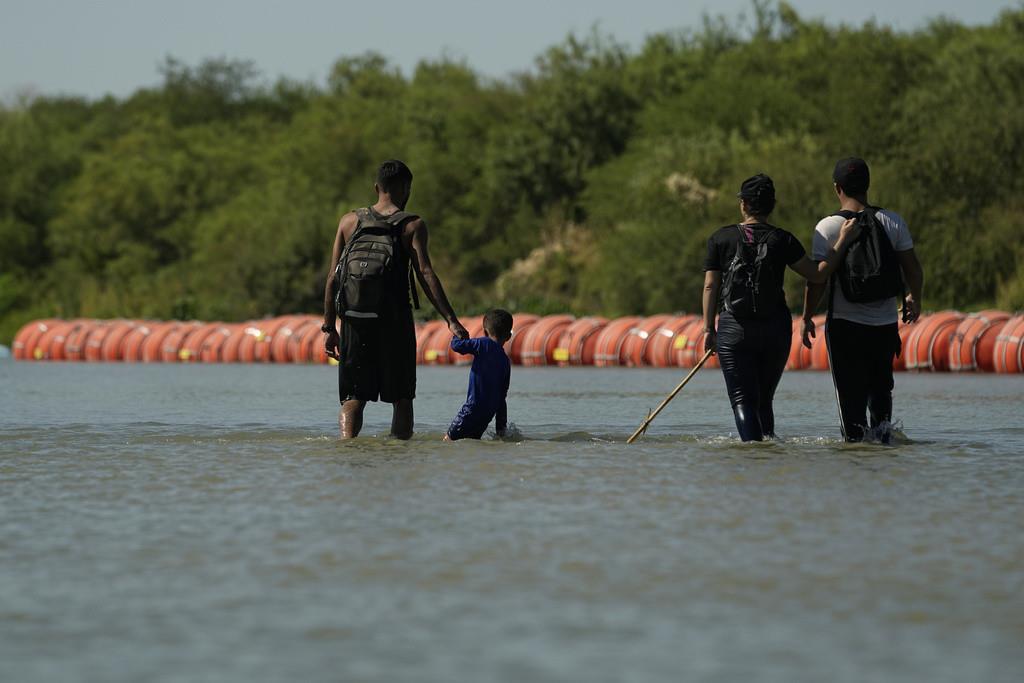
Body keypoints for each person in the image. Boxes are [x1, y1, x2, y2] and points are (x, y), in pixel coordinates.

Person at [703, 173, 860, 441]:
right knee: (764, 399)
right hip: (775, 329)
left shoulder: (720, 239)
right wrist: (842, 240)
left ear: (743, 204)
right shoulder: (782, 239)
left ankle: (753, 452)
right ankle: (768, 451)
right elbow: (817, 274)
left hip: (734, 329)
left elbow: (710, 286)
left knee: (743, 400)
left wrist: (709, 329)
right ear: (772, 205)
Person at [323, 160, 468, 439]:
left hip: (354, 320)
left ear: (377, 187)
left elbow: (332, 278)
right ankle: (399, 454)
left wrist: (329, 329)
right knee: (401, 398)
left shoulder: (349, 221)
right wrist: (451, 319)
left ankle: (346, 446)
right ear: (406, 188)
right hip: (394, 322)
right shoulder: (412, 225)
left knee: (353, 397)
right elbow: (425, 273)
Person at [801, 158, 924, 442]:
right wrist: (914, 299)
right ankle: (883, 451)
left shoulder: (829, 227)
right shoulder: (892, 221)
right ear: (868, 185)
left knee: (850, 403)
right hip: (883, 325)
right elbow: (913, 269)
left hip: (845, 326)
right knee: (881, 397)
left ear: (837, 188)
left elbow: (817, 280)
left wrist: (807, 317)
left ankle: (856, 460)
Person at [445, 309, 513, 441]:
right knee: (472, 443)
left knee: (448, 442)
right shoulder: (506, 361)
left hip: (471, 410)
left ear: (485, 332)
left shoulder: (482, 344)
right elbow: (502, 397)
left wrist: (457, 334)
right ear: (508, 336)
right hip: (488, 414)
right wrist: (501, 428)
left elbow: (457, 346)